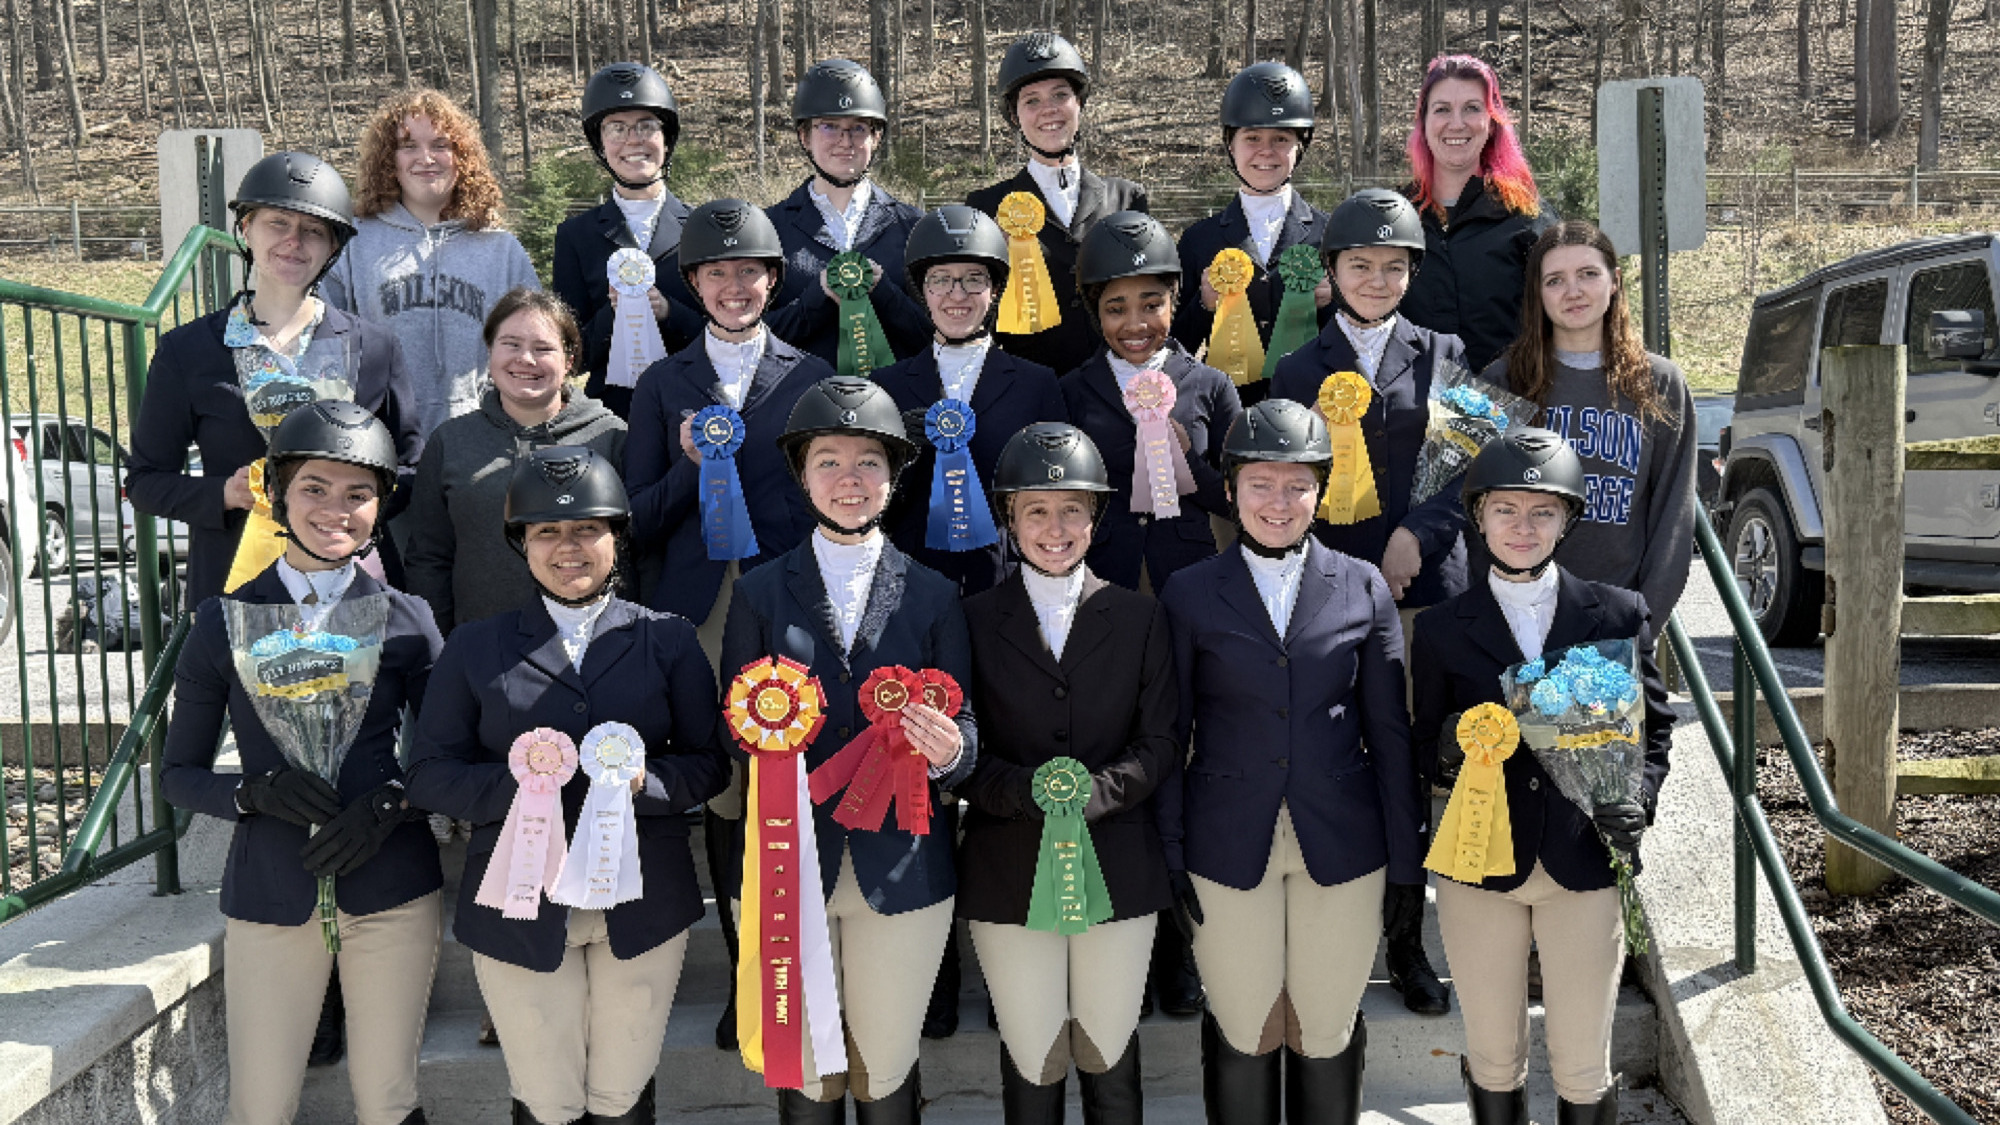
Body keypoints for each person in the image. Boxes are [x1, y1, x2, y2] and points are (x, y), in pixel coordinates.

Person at [404, 446, 730, 1125]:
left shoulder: (668, 639)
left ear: (618, 537)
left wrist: (647, 779)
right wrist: (528, 790)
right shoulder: (474, 646)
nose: (568, 546)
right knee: (547, 1098)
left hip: (643, 901)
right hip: (520, 901)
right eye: (547, 531)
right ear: (522, 544)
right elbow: (430, 773)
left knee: (620, 1093)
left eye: (587, 528)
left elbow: (710, 762)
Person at [159, 402, 443, 1125]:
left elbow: (448, 754)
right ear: (280, 492)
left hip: (391, 889)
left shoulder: (409, 618)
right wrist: (252, 794)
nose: (335, 510)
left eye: (358, 493)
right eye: (315, 487)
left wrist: (397, 800)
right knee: (260, 1102)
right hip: (272, 892)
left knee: (388, 1097)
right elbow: (178, 773)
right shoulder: (222, 622)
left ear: (380, 507)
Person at [1156, 398, 1427, 1125]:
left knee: (1325, 1026)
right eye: (1260, 484)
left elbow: (1389, 732)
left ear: (1320, 489)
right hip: (1225, 838)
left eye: (1296, 485)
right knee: (1245, 1024)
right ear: (1233, 488)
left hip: (1340, 838)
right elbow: (1168, 730)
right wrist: (1171, 849)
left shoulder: (1362, 583)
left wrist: (1408, 860)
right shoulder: (1188, 592)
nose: (1278, 502)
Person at [718, 375, 977, 1120]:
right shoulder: (760, 592)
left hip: (900, 864)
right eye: (829, 460)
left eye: (868, 461)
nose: (849, 479)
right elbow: (738, 722)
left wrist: (947, 748)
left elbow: (968, 728)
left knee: (884, 1063)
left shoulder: (933, 594)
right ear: (803, 475)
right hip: (786, 859)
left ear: (895, 477)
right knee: (803, 1066)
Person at [1409, 428, 1673, 1124]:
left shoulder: (1618, 612)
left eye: (1541, 511)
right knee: (1494, 1053)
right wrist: (1444, 748)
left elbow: (1655, 730)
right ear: (1479, 515)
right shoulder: (1439, 627)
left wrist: (1638, 800)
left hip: (1582, 857)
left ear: (1568, 519)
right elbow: (1420, 745)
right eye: (1506, 509)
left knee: (1583, 1059)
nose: (1522, 527)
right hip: (1479, 865)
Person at [1269, 186, 1466, 1016]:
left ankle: (1409, 941)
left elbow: (1466, 464)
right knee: (1350, 757)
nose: (1378, 279)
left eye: (1394, 266)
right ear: (1335, 273)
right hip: (1336, 595)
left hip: (1428, 592)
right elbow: (1283, 488)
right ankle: (1336, 928)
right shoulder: (1296, 367)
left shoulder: (1446, 352)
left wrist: (1415, 536)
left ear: (1412, 271)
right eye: (1361, 265)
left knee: (1418, 766)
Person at [957, 422, 1176, 1124]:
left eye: (1072, 509)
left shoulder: (1141, 617)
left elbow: (1161, 741)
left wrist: (1087, 796)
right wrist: (1025, 794)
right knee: (1033, 1048)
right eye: (1036, 510)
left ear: (1096, 517)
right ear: (1009, 517)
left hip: (1118, 866)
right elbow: (962, 751)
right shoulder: (972, 619)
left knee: (1108, 1045)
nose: (1055, 527)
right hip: (1007, 867)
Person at [127, 150, 422, 613]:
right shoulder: (187, 351)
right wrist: (224, 493)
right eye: (278, 224)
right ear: (246, 229)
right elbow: (145, 482)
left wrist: (353, 504)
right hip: (234, 583)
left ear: (333, 248)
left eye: (313, 231)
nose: (294, 242)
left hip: (354, 586)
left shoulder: (376, 349)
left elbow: (411, 469)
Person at [1484, 221, 1698, 623]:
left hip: (1619, 613)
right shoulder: (1502, 380)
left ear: (1614, 281)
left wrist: (1644, 624)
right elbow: (1469, 509)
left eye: (1588, 274)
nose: (1573, 292)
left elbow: (1674, 516)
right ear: (1537, 294)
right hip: (1516, 615)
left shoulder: (1661, 382)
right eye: (1555, 280)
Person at [403, 288, 626, 635]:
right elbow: (429, 558)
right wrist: (438, 648)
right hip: (482, 653)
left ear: (569, 361)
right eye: (511, 344)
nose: (526, 359)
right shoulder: (450, 442)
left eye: (543, 348)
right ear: (490, 352)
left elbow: (638, 551)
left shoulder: (611, 437)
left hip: (597, 649)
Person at [323, 88, 539, 440]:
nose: (426, 158)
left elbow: (533, 347)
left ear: (461, 156)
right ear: (389, 160)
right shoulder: (353, 242)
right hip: (376, 438)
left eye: (441, 145)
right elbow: (326, 346)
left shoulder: (501, 248)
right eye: (409, 146)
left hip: (480, 439)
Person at [876, 205, 1068, 598]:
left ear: (995, 289)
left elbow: (1056, 494)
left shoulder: (1037, 384)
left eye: (973, 279)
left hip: (1007, 582)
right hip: (913, 583)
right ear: (922, 289)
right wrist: (901, 459)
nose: (956, 295)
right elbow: (871, 507)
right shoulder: (887, 386)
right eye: (941, 280)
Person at [1060, 211, 1243, 597]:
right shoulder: (1071, 390)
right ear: (1096, 313)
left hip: (1192, 574)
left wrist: (1188, 461)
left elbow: (1240, 502)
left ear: (1174, 301)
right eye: (1115, 309)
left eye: (1151, 305)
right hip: (1102, 576)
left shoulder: (1212, 384)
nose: (1135, 325)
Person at [967, 32, 1148, 374]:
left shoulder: (1127, 198)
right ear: (1014, 116)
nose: (1048, 109)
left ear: (1079, 103)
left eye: (1060, 95)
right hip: (1032, 387)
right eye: (1031, 100)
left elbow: (1155, 299)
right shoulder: (986, 206)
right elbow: (974, 318)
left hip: (1118, 384)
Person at [1172, 61, 1335, 401]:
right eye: (1252, 138)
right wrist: (1203, 307)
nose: (1266, 151)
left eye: (1281, 138)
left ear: (1299, 146)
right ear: (1230, 144)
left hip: (1309, 410)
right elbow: (1175, 344)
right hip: (1229, 413)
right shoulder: (1197, 240)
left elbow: (1358, 339)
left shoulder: (1330, 234)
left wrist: (1332, 304)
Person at [760, 59, 932, 366]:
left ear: (876, 137)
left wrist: (885, 294)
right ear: (804, 136)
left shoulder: (915, 227)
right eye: (829, 127)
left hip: (894, 405)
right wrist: (816, 300)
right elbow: (752, 338)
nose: (845, 141)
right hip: (801, 404)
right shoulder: (768, 228)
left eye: (858, 128)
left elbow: (935, 337)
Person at [1397, 53, 1559, 374]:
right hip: (1409, 414)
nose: (1457, 123)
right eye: (1442, 109)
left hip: (1511, 411)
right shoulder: (1392, 217)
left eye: (1472, 108)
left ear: (1491, 121)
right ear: (1424, 121)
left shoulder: (1528, 218)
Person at [552, 62, 697, 418]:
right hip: (610, 416)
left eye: (646, 126)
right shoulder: (574, 236)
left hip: (693, 407)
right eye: (617, 128)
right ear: (600, 143)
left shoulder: (702, 227)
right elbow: (571, 356)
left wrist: (669, 312)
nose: (633, 140)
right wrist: (612, 314)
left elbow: (729, 334)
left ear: (666, 138)